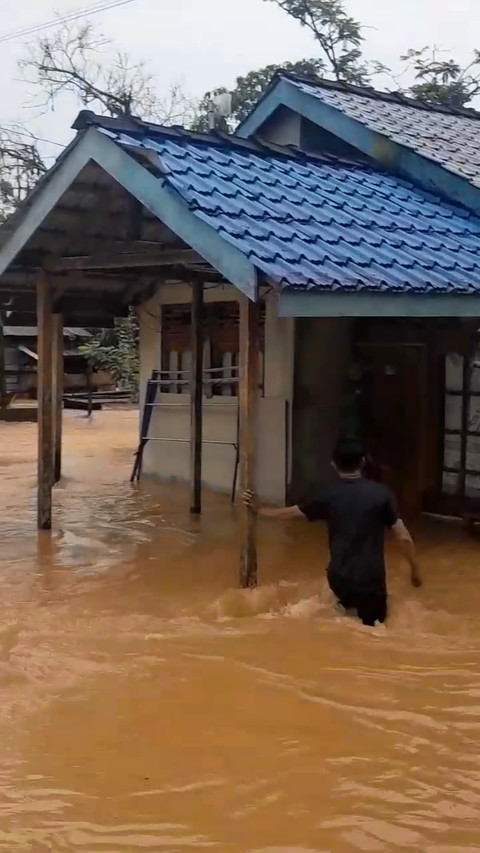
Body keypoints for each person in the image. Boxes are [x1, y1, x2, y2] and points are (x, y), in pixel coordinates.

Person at [243, 439, 422, 627]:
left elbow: (291, 513)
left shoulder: (327, 495)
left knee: (344, 623)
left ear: (333, 465)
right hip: (371, 582)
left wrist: (260, 510)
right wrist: (414, 572)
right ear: (363, 462)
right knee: (373, 632)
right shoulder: (382, 494)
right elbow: (404, 538)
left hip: (339, 579)